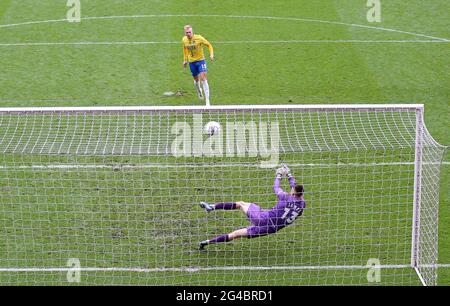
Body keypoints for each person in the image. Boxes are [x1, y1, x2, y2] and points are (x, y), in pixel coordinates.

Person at [198, 165, 306, 250]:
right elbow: (295, 189)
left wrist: (279, 175)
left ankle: (211, 207)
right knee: (236, 234)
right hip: (270, 229)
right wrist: (289, 175)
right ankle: (206, 242)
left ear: (292, 193)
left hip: (262, 218)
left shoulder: (285, 197)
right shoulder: (302, 204)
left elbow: (276, 187)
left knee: (241, 204)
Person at [182, 25, 214, 105]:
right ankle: (199, 91)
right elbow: (185, 49)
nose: (188, 34)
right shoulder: (184, 40)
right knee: (196, 80)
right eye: (187, 33)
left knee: (203, 78)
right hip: (192, 62)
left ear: (192, 32)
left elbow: (209, 45)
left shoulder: (199, 38)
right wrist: (185, 60)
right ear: (184, 33)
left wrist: (211, 54)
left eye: (190, 32)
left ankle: (207, 101)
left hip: (201, 61)